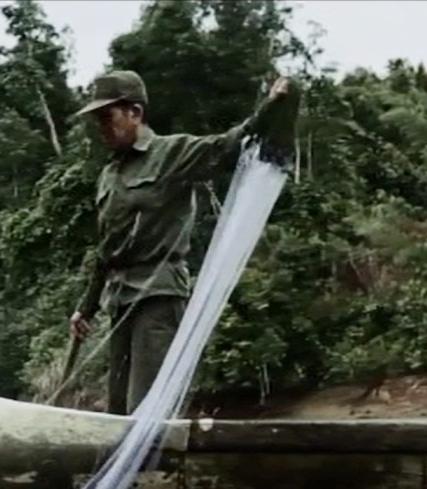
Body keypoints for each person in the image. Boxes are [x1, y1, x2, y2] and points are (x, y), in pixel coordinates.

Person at [68, 69, 293, 415]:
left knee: (145, 409)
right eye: (96, 119)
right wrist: (87, 306)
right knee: (116, 410)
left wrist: (272, 104)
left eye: (106, 117)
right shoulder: (109, 174)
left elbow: (228, 144)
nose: (101, 127)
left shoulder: (171, 153)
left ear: (135, 113)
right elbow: (107, 250)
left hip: (158, 297)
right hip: (120, 300)